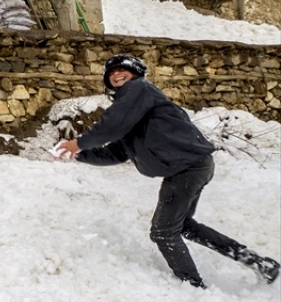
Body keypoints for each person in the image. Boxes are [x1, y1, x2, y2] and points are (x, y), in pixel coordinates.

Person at [56, 53, 279, 288]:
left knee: (163, 232)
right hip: (191, 166)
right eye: (111, 73)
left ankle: (193, 286)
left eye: (123, 70)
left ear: (136, 74)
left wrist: (78, 143)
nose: (116, 74)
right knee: (183, 226)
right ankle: (259, 263)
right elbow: (116, 152)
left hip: (187, 167)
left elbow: (111, 125)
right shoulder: (134, 112)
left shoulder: (139, 89)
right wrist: (78, 155)